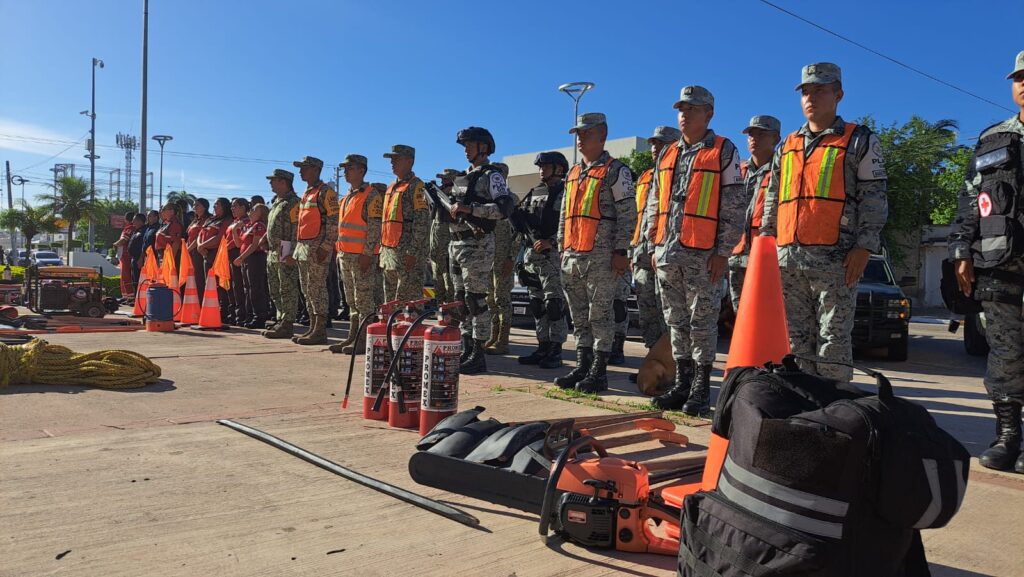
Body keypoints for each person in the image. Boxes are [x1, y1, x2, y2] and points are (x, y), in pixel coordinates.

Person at [760, 62, 889, 383]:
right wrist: (765, 243)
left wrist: (864, 247)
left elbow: (874, 197)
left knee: (832, 341)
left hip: (837, 260)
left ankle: (834, 410)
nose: (810, 97)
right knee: (797, 342)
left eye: (820, 90)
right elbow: (772, 199)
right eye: (805, 91)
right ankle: (806, 407)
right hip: (789, 260)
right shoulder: (787, 145)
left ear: (839, 94)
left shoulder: (859, 140)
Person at [646, 86, 746, 415]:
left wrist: (722, 252)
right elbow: (654, 202)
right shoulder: (668, 153)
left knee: (702, 322)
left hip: (704, 257)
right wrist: (653, 242)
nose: (685, 114)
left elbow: (734, 206)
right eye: (682, 109)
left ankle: (701, 387)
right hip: (667, 253)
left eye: (693, 109)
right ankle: (683, 382)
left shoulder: (723, 150)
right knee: (676, 322)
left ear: (709, 114)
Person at [949, 51, 1024, 473]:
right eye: (1018, 77)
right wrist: (961, 250)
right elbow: (969, 200)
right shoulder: (993, 139)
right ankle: (1008, 436)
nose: (1023, 83)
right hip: (999, 262)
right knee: (1005, 353)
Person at [555, 113, 637, 393]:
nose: (579, 138)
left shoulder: (617, 171)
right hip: (572, 256)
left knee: (599, 315)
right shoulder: (573, 172)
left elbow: (628, 215)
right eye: (578, 133)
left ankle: (599, 371)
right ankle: (582, 365)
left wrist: (621, 251)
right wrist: (560, 246)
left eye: (585, 133)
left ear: (602, 135)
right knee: (578, 316)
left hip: (601, 258)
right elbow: (565, 215)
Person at [449, 127, 514, 374]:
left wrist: (471, 209)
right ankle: (466, 347)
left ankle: (478, 350)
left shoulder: (492, 176)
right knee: (461, 301)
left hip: (477, 245)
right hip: (456, 243)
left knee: (476, 301)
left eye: (469, 145)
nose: (465, 150)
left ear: (483, 147)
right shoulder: (464, 176)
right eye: (464, 145)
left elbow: (503, 209)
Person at [510, 151, 569, 369]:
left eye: (546, 166)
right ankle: (542, 345)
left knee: (554, 304)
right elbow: (521, 220)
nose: (541, 170)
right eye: (540, 166)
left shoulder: (566, 193)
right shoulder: (535, 192)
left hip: (552, 256)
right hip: (532, 256)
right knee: (537, 304)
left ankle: (556, 350)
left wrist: (551, 242)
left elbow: (570, 225)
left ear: (559, 169)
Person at [628, 127, 678, 378]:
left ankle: (674, 367)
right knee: (647, 310)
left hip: (665, 251)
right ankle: (652, 363)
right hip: (641, 252)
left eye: (661, 143)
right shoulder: (645, 177)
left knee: (668, 311)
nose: (655, 148)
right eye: (653, 144)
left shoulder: (678, 173)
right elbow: (637, 216)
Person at [330, 154, 383, 355]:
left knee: (364, 301)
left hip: (361, 256)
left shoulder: (371, 195)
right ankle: (353, 336)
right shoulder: (347, 197)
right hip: (345, 255)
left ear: (361, 170)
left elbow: (374, 227)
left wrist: (368, 253)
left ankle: (364, 340)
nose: (345, 171)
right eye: (344, 168)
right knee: (351, 300)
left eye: (349, 168)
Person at [729, 115, 782, 312]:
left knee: (766, 312)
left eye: (761, 133)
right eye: (751, 134)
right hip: (736, 255)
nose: (754, 138)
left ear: (775, 138)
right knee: (741, 313)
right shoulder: (737, 171)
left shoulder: (784, 169)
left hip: (768, 257)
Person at [291, 156, 339, 345]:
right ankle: (313, 327)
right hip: (304, 249)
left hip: (317, 249)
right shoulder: (307, 193)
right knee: (307, 289)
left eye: (304, 168)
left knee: (317, 289)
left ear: (316, 170)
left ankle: (320, 330)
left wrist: (326, 247)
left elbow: (335, 222)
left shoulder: (325, 192)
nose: (300, 171)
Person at [379, 145, 428, 306]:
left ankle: (409, 331)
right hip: (389, 253)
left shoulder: (417, 186)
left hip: (406, 254)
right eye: (391, 159)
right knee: (391, 302)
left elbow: (421, 222)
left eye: (396, 159)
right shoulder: (391, 187)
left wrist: (412, 252)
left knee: (409, 303)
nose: (392, 163)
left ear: (409, 161)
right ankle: (391, 331)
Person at [262, 170, 302, 339]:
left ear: (283, 182)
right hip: (273, 251)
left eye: (273, 180)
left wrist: (292, 252)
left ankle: (287, 323)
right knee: (275, 288)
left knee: (287, 288)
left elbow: (296, 229)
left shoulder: (293, 203)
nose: (270, 183)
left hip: (286, 249)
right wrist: (264, 239)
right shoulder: (277, 202)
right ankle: (280, 318)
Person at [484, 162, 516, 355]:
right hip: (487, 256)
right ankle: (493, 335)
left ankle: (503, 340)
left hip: (504, 258)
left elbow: (518, 233)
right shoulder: (488, 201)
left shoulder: (511, 200)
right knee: (490, 298)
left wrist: (511, 257)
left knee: (502, 298)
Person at [198, 198, 234, 324]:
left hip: (217, 254)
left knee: (220, 284)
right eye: (214, 204)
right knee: (209, 284)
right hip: (205, 254)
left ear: (224, 206)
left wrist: (202, 246)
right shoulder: (210, 219)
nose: (214, 206)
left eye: (217, 204)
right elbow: (200, 234)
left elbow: (219, 238)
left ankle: (223, 311)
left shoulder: (227, 220)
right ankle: (211, 310)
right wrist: (200, 246)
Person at [234, 203, 270, 328]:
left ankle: (259, 316)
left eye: (254, 209)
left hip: (255, 258)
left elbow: (254, 245)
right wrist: (235, 229)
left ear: (261, 214)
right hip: (247, 259)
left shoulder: (259, 225)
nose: (251, 211)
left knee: (255, 288)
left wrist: (241, 257)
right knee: (247, 288)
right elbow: (239, 243)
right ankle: (249, 315)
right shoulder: (249, 225)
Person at [430, 169, 460, 307]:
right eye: (442, 181)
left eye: (446, 180)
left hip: (448, 252)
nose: (443, 183)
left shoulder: (456, 200)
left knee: (450, 284)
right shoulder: (439, 198)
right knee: (438, 282)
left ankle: (451, 313)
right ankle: (440, 310)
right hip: (436, 251)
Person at [227, 198, 252, 326]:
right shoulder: (235, 221)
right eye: (232, 206)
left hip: (239, 252)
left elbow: (242, 241)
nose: (232, 208)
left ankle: (242, 314)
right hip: (230, 253)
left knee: (240, 285)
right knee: (234, 285)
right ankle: (237, 312)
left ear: (243, 207)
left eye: (235, 206)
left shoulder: (246, 222)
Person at [185, 200, 210, 298]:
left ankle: (200, 300)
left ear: (204, 207)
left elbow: (199, 237)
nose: (194, 206)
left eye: (197, 205)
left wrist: (188, 249)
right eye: (194, 205)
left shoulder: (207, 219)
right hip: (190, 250)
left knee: (199, 277)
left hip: (197, 251)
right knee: (192, 277)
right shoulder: (196, 220)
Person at [113, 211, 137, 302]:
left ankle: (129, 297)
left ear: (126, 219)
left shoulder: (129, 228)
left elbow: (123, 240)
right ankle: (126, 296)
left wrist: (115, 244)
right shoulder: (132, 228)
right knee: (125, 276)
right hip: (125, 255)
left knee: (126, 276)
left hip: (126, 256)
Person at [126, 214, 146, 289]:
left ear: (140, 221)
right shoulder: (136, 231)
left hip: (139, 259)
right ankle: (135, 298)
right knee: (134, 280)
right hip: (134, 258)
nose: (133, 222)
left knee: (138, 281)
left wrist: (141, 258)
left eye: (135, 220)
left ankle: (138, 298)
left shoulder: (144, 231)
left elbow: (144, 246)